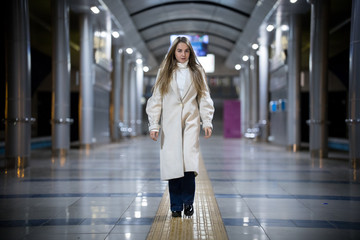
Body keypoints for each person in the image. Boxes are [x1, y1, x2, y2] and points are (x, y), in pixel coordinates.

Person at [146, 36, 215, 218]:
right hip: (170, 124)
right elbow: (156, 99)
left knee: (188, 165)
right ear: (173, 52)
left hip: (191, 122)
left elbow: (204, 97)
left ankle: (188, 203)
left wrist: (206, 121)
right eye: (179, 50)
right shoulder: (165, 71)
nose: (183, 54)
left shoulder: (197, 71)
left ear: (190, 52)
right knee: (173, 165)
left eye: (186, 51)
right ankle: (175, 205)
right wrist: (154, 124)